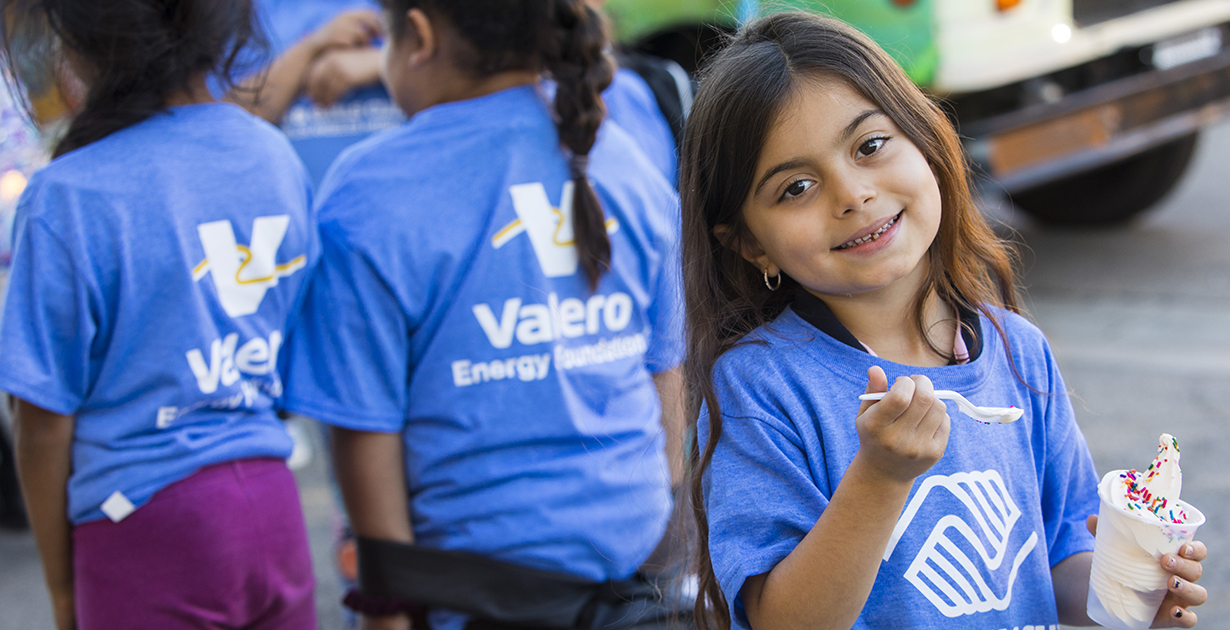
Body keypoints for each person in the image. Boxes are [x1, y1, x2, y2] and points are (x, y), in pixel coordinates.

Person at [678, 12, 1209, 630]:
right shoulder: (761, 387)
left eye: (870, 146)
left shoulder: (1018, 350)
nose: (851, 194)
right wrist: (878, 477)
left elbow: (1059, 557)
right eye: (795, 187)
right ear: (749, 244)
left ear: (925, 138)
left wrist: (1137, 600)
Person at [282, 1, 687, 629]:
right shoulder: (624, 159)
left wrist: (388, 607)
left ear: (416, 36)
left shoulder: (367, 191)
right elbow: (666, 373)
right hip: (638, 581)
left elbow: (365, 431)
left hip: (471, 595)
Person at [0, 1, 319, 628]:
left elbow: (40, 423)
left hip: (141, 527)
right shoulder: (273, 153)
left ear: (89, 45)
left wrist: (63, 590)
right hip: (272, 502)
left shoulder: (67, 195)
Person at [235, 1, 405, 186]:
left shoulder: (407, 8)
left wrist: (381, 64)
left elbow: (438, 82)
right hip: (297, 205)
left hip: (392, 199)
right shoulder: (255, 13)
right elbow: (227, 124)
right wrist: (310, 48)